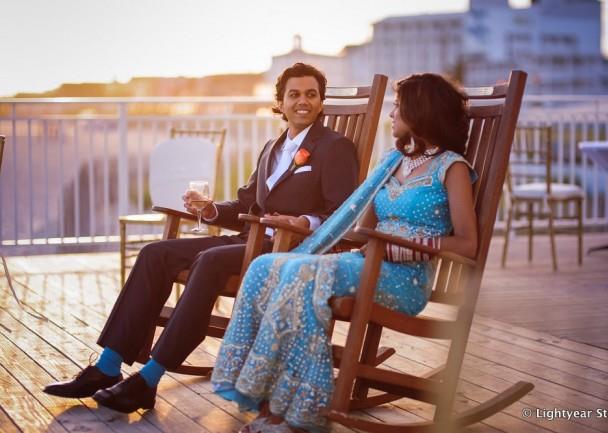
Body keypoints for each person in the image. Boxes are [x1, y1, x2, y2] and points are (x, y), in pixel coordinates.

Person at [43, 63, 360, 413]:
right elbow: (245, 203)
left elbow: (341, 216)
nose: (303, 101)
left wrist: (302, 220)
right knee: (154, 254)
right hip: (249, 240)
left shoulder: (336, 147)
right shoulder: (274, 147)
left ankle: (149, 378)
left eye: (311, 94)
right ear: (280, 102)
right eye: (295, 94)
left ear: (321, 101)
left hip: (290, 251)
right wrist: (210, 210)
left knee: (208, 261)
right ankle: (106, 366)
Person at [210, 72, 478, 433]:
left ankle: (303, 410)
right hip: (364, 263)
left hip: (404, 279)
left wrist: (408, 249)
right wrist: (305, 222)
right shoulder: (392, 162)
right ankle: (270, 398)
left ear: (419, 112)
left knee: (303, 273)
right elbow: (358, 226)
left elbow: (467, 243)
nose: (391, 115)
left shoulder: (453, 168)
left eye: (398, 108)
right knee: (265, 266)